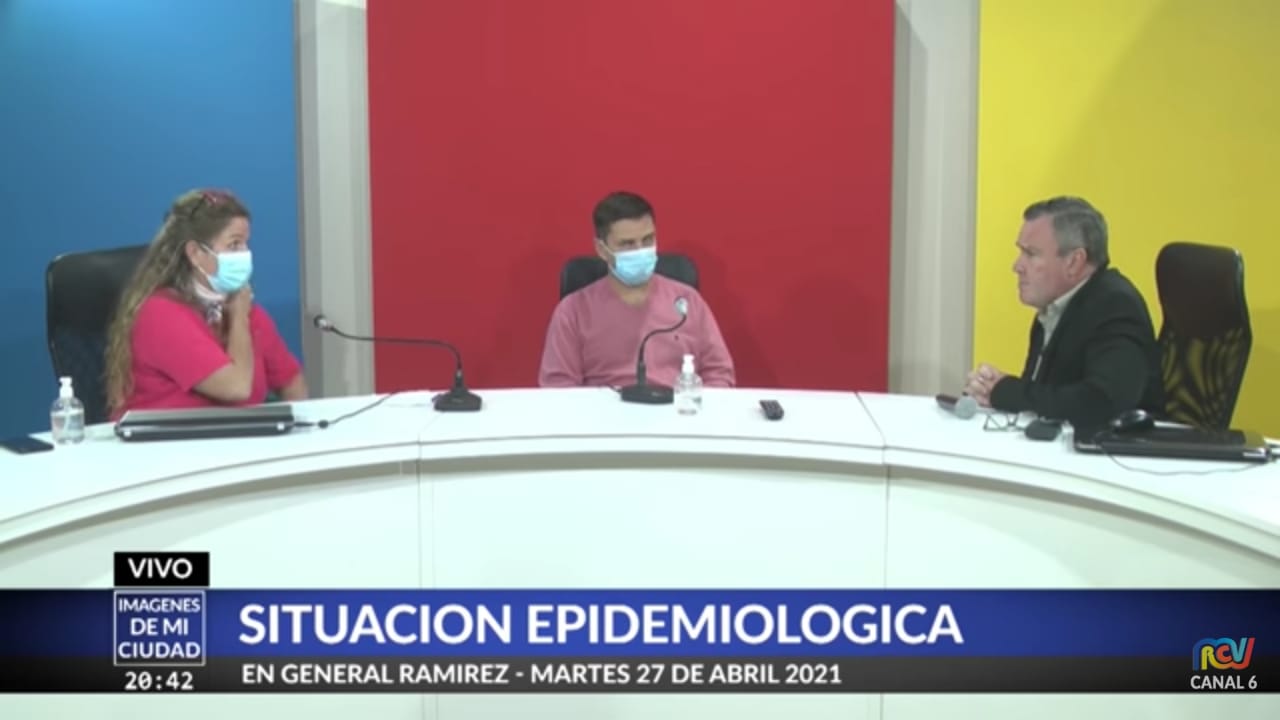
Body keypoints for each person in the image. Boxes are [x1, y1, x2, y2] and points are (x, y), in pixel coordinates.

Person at [105, 189, 308, 419]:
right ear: (195, 253)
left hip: (236, 437)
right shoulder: (160, 314)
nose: (245, 253)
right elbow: (236, 387)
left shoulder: (243, 308)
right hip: (166, 440)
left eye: (246, 244)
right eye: (234, 244)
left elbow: (292, 381)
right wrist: (239, 319)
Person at [964, 196, 1164, 429]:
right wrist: (991, 390)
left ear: (1074, 262)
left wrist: (1007, 392)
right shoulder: (1053, 307)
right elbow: (1044, 395)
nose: (1017, 266)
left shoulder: (1115, 305)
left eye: (1031, 254)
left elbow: (1102, 401)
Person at [539, 191, 735, 389]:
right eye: (627, 244)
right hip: (603, 407)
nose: (640, 251)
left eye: (648, 240)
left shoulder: (687, 302)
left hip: (676, 404)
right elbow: (558, 387)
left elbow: (719, 374)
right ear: (601, 249)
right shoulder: (573, 311)